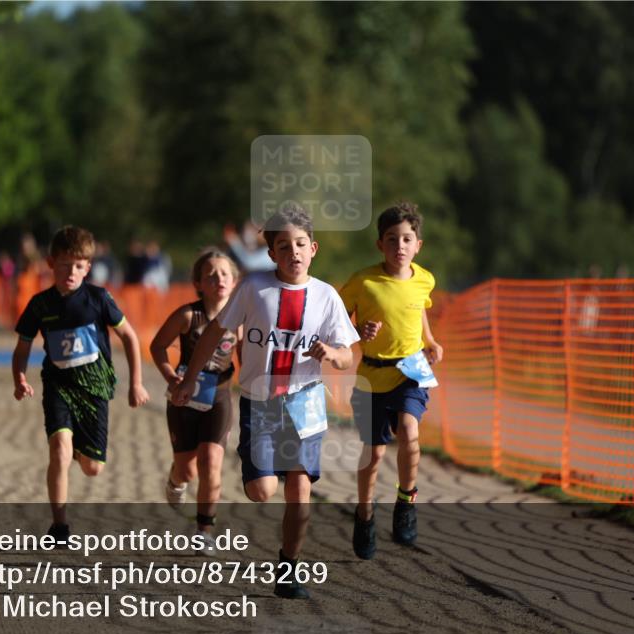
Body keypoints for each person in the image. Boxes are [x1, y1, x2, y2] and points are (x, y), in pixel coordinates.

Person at [172, 203, 359, 599]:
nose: (294, 252)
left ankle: (289, 568)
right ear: (271, 253)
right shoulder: (254, 287)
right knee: (262, 491)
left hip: (306, 403)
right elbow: (213, 334)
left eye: (301, 244)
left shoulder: (326, 297)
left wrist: (332, 355)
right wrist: (189, 377)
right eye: (284, 246)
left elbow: (347, 355)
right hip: (260, 402)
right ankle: (256, 468)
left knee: (300, 490)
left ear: (314, 249)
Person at [12, 226, 150, 541]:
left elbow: (129, 336)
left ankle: (79, 448)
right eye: (64, 264)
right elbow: (21, 348)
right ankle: (59, 525)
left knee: (92, 468)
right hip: (58, 386)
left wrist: (136, 384)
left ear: (87, 267)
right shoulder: (40, 305)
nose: (70, 272)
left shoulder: (99, 298)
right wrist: (19, 377)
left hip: (95, 389)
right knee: (59, 451)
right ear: (50, 263)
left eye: (78, 266)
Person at [339, 201, 443, 559]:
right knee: (373, 453)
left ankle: (406, 500)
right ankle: (365, 513)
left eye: (407, 239)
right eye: (391, 239)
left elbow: (419, 314)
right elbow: (336, 320)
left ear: (418, 245)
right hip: (371, 375)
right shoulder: (363, 281)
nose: (399, 246)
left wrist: (430, 342)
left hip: (411, 371)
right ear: (379, 245)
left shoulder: (425, 279)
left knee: (410, 432)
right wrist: (358, 330)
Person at [150, 249, 242, 551]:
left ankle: (205, 529)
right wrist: (170, 377)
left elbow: (246, 358)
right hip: (184, 399)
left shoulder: (240, 321)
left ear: (235, 279)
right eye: (211, 274)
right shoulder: (188, 316)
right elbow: (158, 346)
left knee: (211, 462)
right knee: (187, 469)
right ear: (198, 283)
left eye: (224, 273)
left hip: (219, 398)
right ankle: (176, 482)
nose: (219, 279)